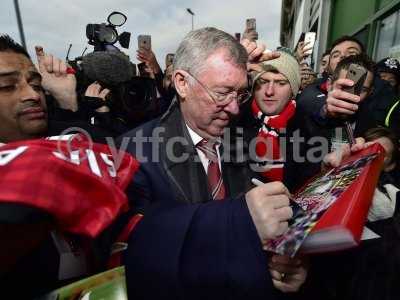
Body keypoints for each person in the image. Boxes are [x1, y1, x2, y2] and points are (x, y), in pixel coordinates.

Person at [120, 27, 308, 299]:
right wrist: (239, 220)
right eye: (222, 93)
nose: (233, 108)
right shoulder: (132, 154)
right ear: (182, 83)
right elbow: (136, 255)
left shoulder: (242, 142)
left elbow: (264, 238)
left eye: (241, 94)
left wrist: (283, 265)